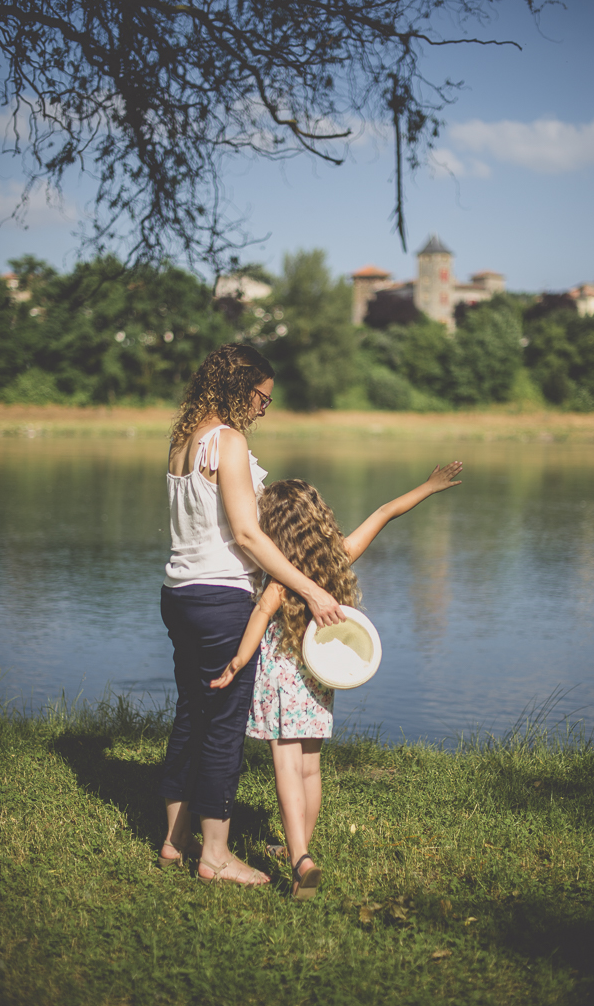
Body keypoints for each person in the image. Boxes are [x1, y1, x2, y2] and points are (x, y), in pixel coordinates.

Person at [211, 461, 463, 898]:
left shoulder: (281, 578)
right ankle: (300, 846)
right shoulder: (338, 558)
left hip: (281, 678)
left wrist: (236, 663)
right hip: (319, 677)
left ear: (275, 530)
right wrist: (428, 485)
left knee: (286, 765)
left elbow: (257, 618)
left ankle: (299, 858)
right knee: (310, 767)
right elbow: (384, 512)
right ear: (319, 521)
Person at [158, 344, 345, 887]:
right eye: (261, 397)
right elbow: (246, 534)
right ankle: (215, 856)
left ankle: (175, 839)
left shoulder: (182, 442)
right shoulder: (229, 441)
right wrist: (309, 588)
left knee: (192, 713)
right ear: (240, 388)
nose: (263, 409)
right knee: (221, 728)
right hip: (221, 600)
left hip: (178, 595)